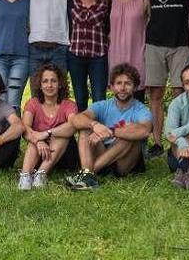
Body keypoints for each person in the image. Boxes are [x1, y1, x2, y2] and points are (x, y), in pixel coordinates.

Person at [142, 0, 189, 157]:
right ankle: (156, 142)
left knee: (178, 93)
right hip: (154, 42)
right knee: (155, 93)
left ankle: (176, 137)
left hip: (180, 42)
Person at [65, 63, 151, 191]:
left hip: (124, 161)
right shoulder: (103, 105)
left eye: (127, 83)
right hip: (102, 152)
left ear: (135, 87)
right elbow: (77, 119)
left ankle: (87, 174)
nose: (122, 88)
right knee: (85, 128)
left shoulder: (141, 109)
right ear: (111, 87)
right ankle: (88, 176)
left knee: (129, 133)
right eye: (118, 83)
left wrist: (112, 131)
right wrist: (95, 125)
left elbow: (144, 131)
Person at [18, 63, 78, 190]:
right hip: (40, 153)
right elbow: (25, 128)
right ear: (40, 85)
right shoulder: (33, 103)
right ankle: (25, 176)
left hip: (65, 155)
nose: (49, 85)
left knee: (62, 133)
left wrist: (47, 133)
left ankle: (41, 175)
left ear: (60, 84)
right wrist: (38, 141)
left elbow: (73, 125)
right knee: (33, 139)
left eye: (53, 81)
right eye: (45, 81)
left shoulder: (68, 105)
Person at [67, 0, 110, 112]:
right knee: (80, 97)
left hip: (98, 55)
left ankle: (100, 133)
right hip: (76, 55)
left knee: (99, 97)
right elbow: (68, 24)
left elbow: (108, 27)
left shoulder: (106, 0)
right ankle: (83, 133)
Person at [107, 0, 149, 99]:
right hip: (116, 55)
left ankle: (139, 122)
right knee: (119, 97)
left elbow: (152, 24)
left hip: (137, 53)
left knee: (137, 96)